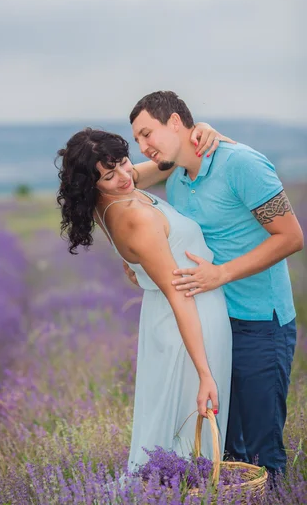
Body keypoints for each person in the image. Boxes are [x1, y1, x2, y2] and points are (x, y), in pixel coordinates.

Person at [128, 90, 304, 476]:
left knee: (263, 452)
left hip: (260, 323)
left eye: (147, 134)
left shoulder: (242, 164)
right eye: (137, 140)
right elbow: (133, 187)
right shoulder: (176, 179)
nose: (143, 147)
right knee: (223, 452)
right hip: (213, 328)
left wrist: (221, 274)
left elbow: (292, 238)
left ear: (175, 122)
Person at [56, 124, 234, 472]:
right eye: (110, 174)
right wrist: (204, 374)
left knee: (178, 437)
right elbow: (177, 295)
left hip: (171, 317)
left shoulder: (117, 192)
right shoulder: (134, 217)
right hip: (187, 323)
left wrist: (207, 135)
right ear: (91, 184)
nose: (125, 175)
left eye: (123, 162)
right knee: (188, 437)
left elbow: (169, 162)